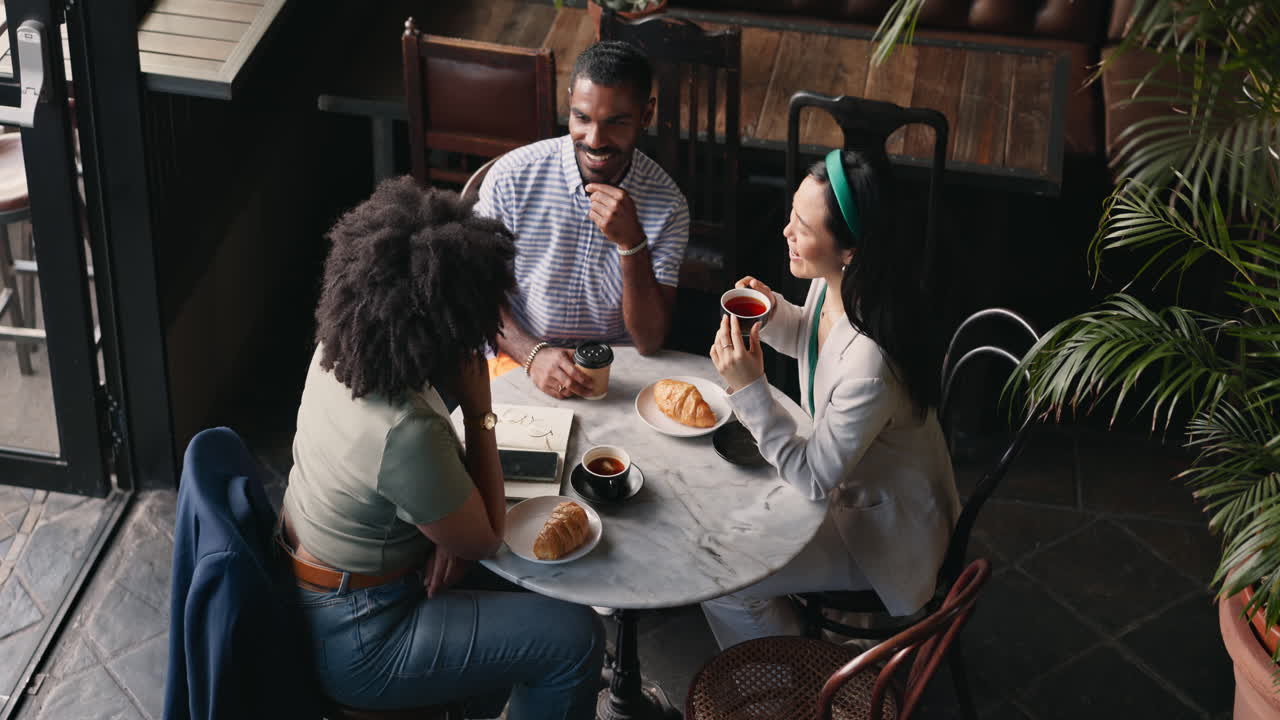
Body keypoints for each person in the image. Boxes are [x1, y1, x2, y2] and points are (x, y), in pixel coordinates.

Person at [280, 177, 604, 718]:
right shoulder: (405, 430)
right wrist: (479, 412)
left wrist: (444, 527)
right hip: (363, 635)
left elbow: (416, 490)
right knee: (574, 639)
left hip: (316, 582)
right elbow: (484, 538)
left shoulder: (343, 349)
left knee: (530, 588)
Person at [700, 149, 960, 649]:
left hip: (879, 530)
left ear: (850, 251)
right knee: (721, 521)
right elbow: (812, 338)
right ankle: (808, 651)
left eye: (802, 226)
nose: (785, 233)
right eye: (791, 216)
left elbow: (814, 478)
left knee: (721, 579)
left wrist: (749, 389)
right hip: (850, 486)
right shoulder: (845, 288)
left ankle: (798, 682)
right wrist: (772, 312)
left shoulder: (871, 364)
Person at [475, 40, 690, 399]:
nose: (595, 140)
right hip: (518, 356)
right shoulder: (511, 178)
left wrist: (632, 244)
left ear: (646, 115)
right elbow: (474, 294)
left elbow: (650, 341)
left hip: (617, 373)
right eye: (582, 118)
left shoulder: (669, 205)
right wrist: (532, 355)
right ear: (570, 101)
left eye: (616, 123)